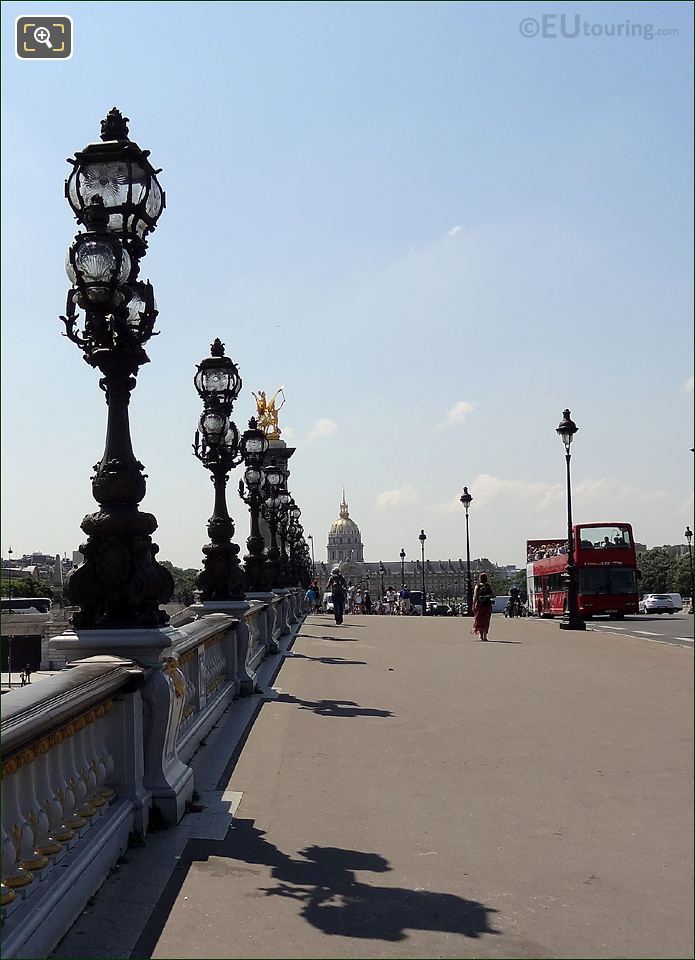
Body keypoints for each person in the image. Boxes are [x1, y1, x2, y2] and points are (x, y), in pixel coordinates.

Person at [472, 573, 494, 641]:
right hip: (487, 605)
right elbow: (494, 594)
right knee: (486, 620)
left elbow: (475, 596)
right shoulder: (489, 586)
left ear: (480, 579)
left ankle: (481, 635)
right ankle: (485, 635)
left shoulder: (477, 586)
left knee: (479, 619)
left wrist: (473, 604)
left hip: (480, 605)